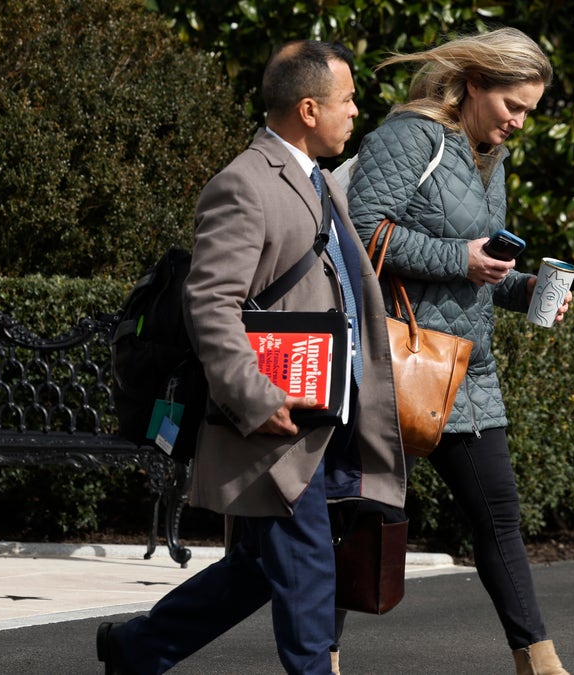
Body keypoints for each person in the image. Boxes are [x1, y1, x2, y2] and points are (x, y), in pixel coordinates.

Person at [95, 40, 405, 675]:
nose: (357, 112)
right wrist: (257, 399)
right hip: (277, 418)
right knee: (308, 569)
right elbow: (210, 306)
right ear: (310, 108)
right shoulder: (243, 183)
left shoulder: (313, 179)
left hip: (322, 413)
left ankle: (137, 649)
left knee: (260, 570)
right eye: (348, 100)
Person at [343, 26, 571, 675]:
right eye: (512, 105)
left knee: (498, 516)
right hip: (398, 362)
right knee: (365, 522)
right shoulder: (407, 137)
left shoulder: (485, 158)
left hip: (466, 370)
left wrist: (528, 290)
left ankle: (539, 660)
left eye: (529, 110)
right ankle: (319, 659)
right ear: (475, 83)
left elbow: (478, 271)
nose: (519, 122)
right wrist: (456, 258)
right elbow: (362, 231)